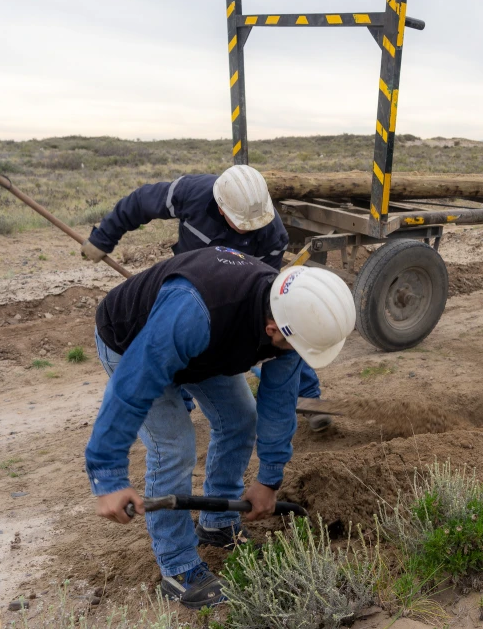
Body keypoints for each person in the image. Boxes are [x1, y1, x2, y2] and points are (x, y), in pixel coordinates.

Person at [85, 247, 356, 609]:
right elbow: (133, 385)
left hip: (204, 348)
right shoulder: (196, 310)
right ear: (272, 328)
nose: (296, 354)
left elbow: (277, 403)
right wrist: (108, 475)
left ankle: (217, 523)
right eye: (294, 346)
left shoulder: (289, 318)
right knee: (174, 446)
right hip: (131, 343)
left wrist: (269, 479)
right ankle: (177, 567)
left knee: (241, 419)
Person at [81, 165, 328, 429]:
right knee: (177, 341)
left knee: (273, 335)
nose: (248, 229)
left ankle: (306, 393)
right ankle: (180, 402)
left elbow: (265, 306)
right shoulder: (192, 194)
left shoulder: (272, 235)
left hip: (233, 297)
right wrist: (103, 238)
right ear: (221, 207)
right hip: (187, 285)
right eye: (240, 223)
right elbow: (141, 202)